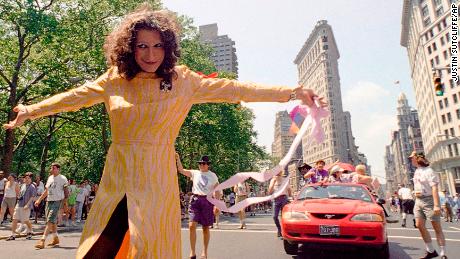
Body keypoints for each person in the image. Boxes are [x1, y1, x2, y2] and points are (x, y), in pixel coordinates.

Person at [2, 4, 324, 258]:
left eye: (158, 46)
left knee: (149, 249)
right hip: (117, 176)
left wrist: (292, 92)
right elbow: (73, 98)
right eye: (142, 46)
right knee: (97, 247)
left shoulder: (185, 81)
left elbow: (236, 89)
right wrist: (30, 111)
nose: (151, 54)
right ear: (129, 48)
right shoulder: (114, 78)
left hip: (156, 179)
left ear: (167, 47)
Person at [176, 154, 220, 259]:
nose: (201, 165)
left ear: (208, 165)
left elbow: (217, 190)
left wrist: (217, 204)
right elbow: (181, 170)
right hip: (195, 200)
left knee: (205, 227)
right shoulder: (194, 173)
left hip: (207, 201)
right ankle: (192, 252)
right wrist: (177, 159)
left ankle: (204, 252)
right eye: (200, 163)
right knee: (191, 226)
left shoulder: (212, 175)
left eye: (204, 163)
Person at [410, 152, 447, 259]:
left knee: (437, 228)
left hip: (429, 201)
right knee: (419, 224)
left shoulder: (429, 171)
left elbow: (434, 188)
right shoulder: (417, 171)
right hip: (418, 201)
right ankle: (431, 251)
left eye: (412, 158)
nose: (411, 160)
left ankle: (443, 253)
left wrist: (436, 205)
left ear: (417, 158)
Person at [33, 163, 68, 249]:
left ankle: (42, 240)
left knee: (50, 220)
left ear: (58, 169)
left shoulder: (63, 178)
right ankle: (55, 238)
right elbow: (46, 191)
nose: (51, 170)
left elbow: (66, 192)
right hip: (49, 201)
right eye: (51, 168)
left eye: (54, 168)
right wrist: (39, 200)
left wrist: (65, 204)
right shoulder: (50, 178)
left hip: (57, 201)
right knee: (52, 222)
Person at [6, 172, 37, 241]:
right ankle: (13, 234)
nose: (26, 179)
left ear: (31, 179)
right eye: (25, 178)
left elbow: (32, 197)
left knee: (26, 220)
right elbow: (20, 194)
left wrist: (27, 205)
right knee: (14, 219)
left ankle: (30, 231)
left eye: (28, 178)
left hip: (26, 206)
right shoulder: (23, 185)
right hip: (19, 204)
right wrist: (18, 198)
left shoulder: (32, 187)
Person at [268, 172, 292, 238]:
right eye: (276, 172)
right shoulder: (272, 180)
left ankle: (283, 231)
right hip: (276, 199)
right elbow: (269, 192)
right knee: (274, 216)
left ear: (281, 172)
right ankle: (279, 229)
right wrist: (273, 183)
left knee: (283, 217)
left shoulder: (284, 179)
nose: (277, 173)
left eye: (279, 172)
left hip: (284, 198)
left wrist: (290, 197)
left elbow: (289, 190)